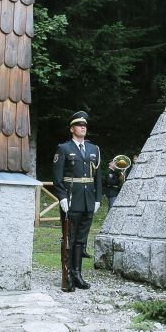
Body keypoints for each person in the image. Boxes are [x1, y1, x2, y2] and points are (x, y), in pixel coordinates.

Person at [51, 111, 103, 290]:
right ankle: (67, 276)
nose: (83, 127)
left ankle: (77, 274)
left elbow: (97, 177)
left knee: (81, 240)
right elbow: (57, 177)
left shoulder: (93, 149)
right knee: (69, 238)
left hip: (88, 200)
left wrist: (97, 198)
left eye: (85, 125)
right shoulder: (64, 148)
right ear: (72, 129)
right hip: (72, 199)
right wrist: (62, 197)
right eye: (79, 125)